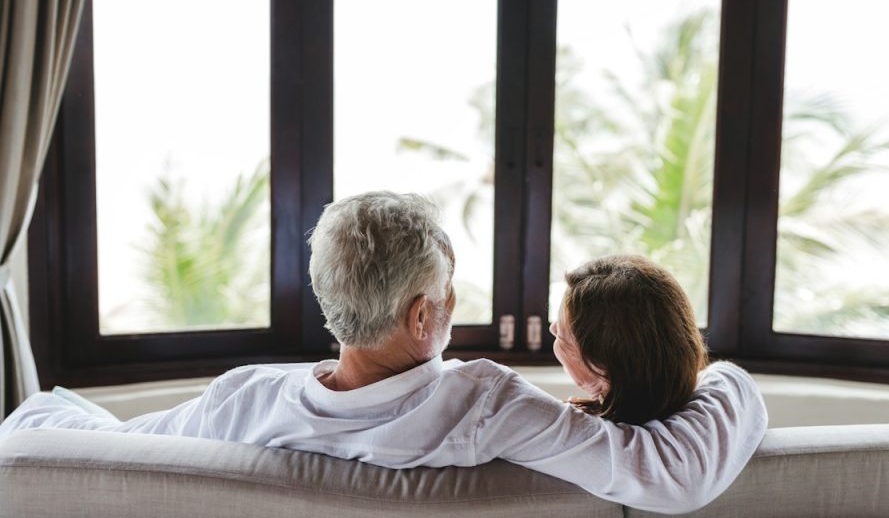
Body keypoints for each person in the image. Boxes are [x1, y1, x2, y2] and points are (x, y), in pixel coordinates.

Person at [0, 191, 767, 514]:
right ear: (423, 315)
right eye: (451, 292)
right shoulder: (478, 405)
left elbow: (102, 450)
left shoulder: (244, 400)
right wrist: (726, 373)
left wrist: (32, 417)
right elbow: (668, 472)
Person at [551, 254, 709, 424]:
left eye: (562, 337)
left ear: (604, 371)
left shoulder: (596, 441)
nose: (552, 329)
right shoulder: (706, 397)